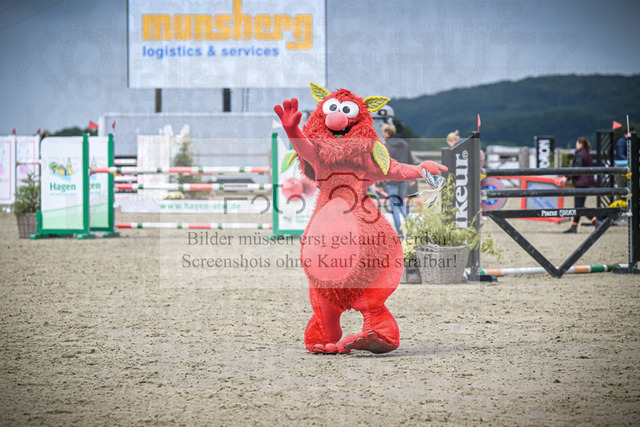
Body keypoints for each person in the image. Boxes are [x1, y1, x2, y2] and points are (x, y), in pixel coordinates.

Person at [559, 137, 597, 233]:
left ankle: (595, 220)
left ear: (580, 144)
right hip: (586, 181)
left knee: (579, 206)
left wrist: (567, 177)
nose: (576, 145)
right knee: (579, 205)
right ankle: (574, 226)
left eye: (576, 143)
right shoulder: (587, 153)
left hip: (581, 182)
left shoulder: (580, 154)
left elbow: (577, 169)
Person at [382, 123, 411, 234]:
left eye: (383, 131)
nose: (382, 134)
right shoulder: (404, 144)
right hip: (403, 177)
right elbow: (410, 160)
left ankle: (399, 232)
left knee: (394, 205)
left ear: (387, 133)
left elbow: (383, 164)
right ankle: (410, 228)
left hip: (391, 180)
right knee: (402, 202)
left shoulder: (385, 147)